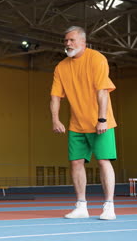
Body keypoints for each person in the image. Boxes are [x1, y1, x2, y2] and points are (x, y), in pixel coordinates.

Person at [50, 26, 117, 220]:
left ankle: (109, 206)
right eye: (66, 41)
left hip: (101, 123)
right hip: (77, 124)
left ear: (83, 41)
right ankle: (81, 206)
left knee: (104, 161)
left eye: (71, 40)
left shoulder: (97, 59)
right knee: (76, 163)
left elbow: (102, 91)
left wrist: (102, 119)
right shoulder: (61, 67)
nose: (68, 44)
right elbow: (55, 96)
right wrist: (55, 119)